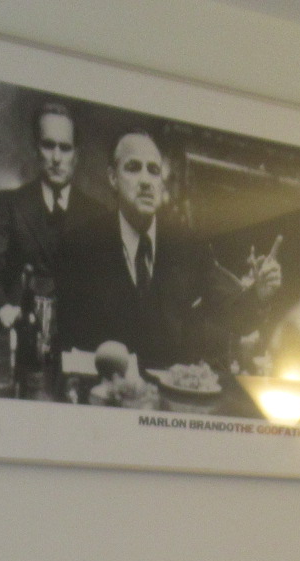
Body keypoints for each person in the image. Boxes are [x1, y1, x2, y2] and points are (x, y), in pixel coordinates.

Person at [57, 128, 282, 377]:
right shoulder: (82, 244)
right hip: (102, 389)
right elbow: (66, 339)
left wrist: (259, 293)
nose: (145, 181)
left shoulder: (187, 245)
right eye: (133, 168)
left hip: (171, 393)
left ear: (161, 182)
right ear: (113, 178)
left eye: (153, 171)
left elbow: (231, 313)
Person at [0, 100, 82, 333]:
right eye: (48, 145)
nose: (56, 158)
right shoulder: (11, 203)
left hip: (77, 335)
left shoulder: (97, 212)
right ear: (35, 149)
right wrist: (2, 308)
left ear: (76, 155)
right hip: (23, 330)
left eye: (65, 148)